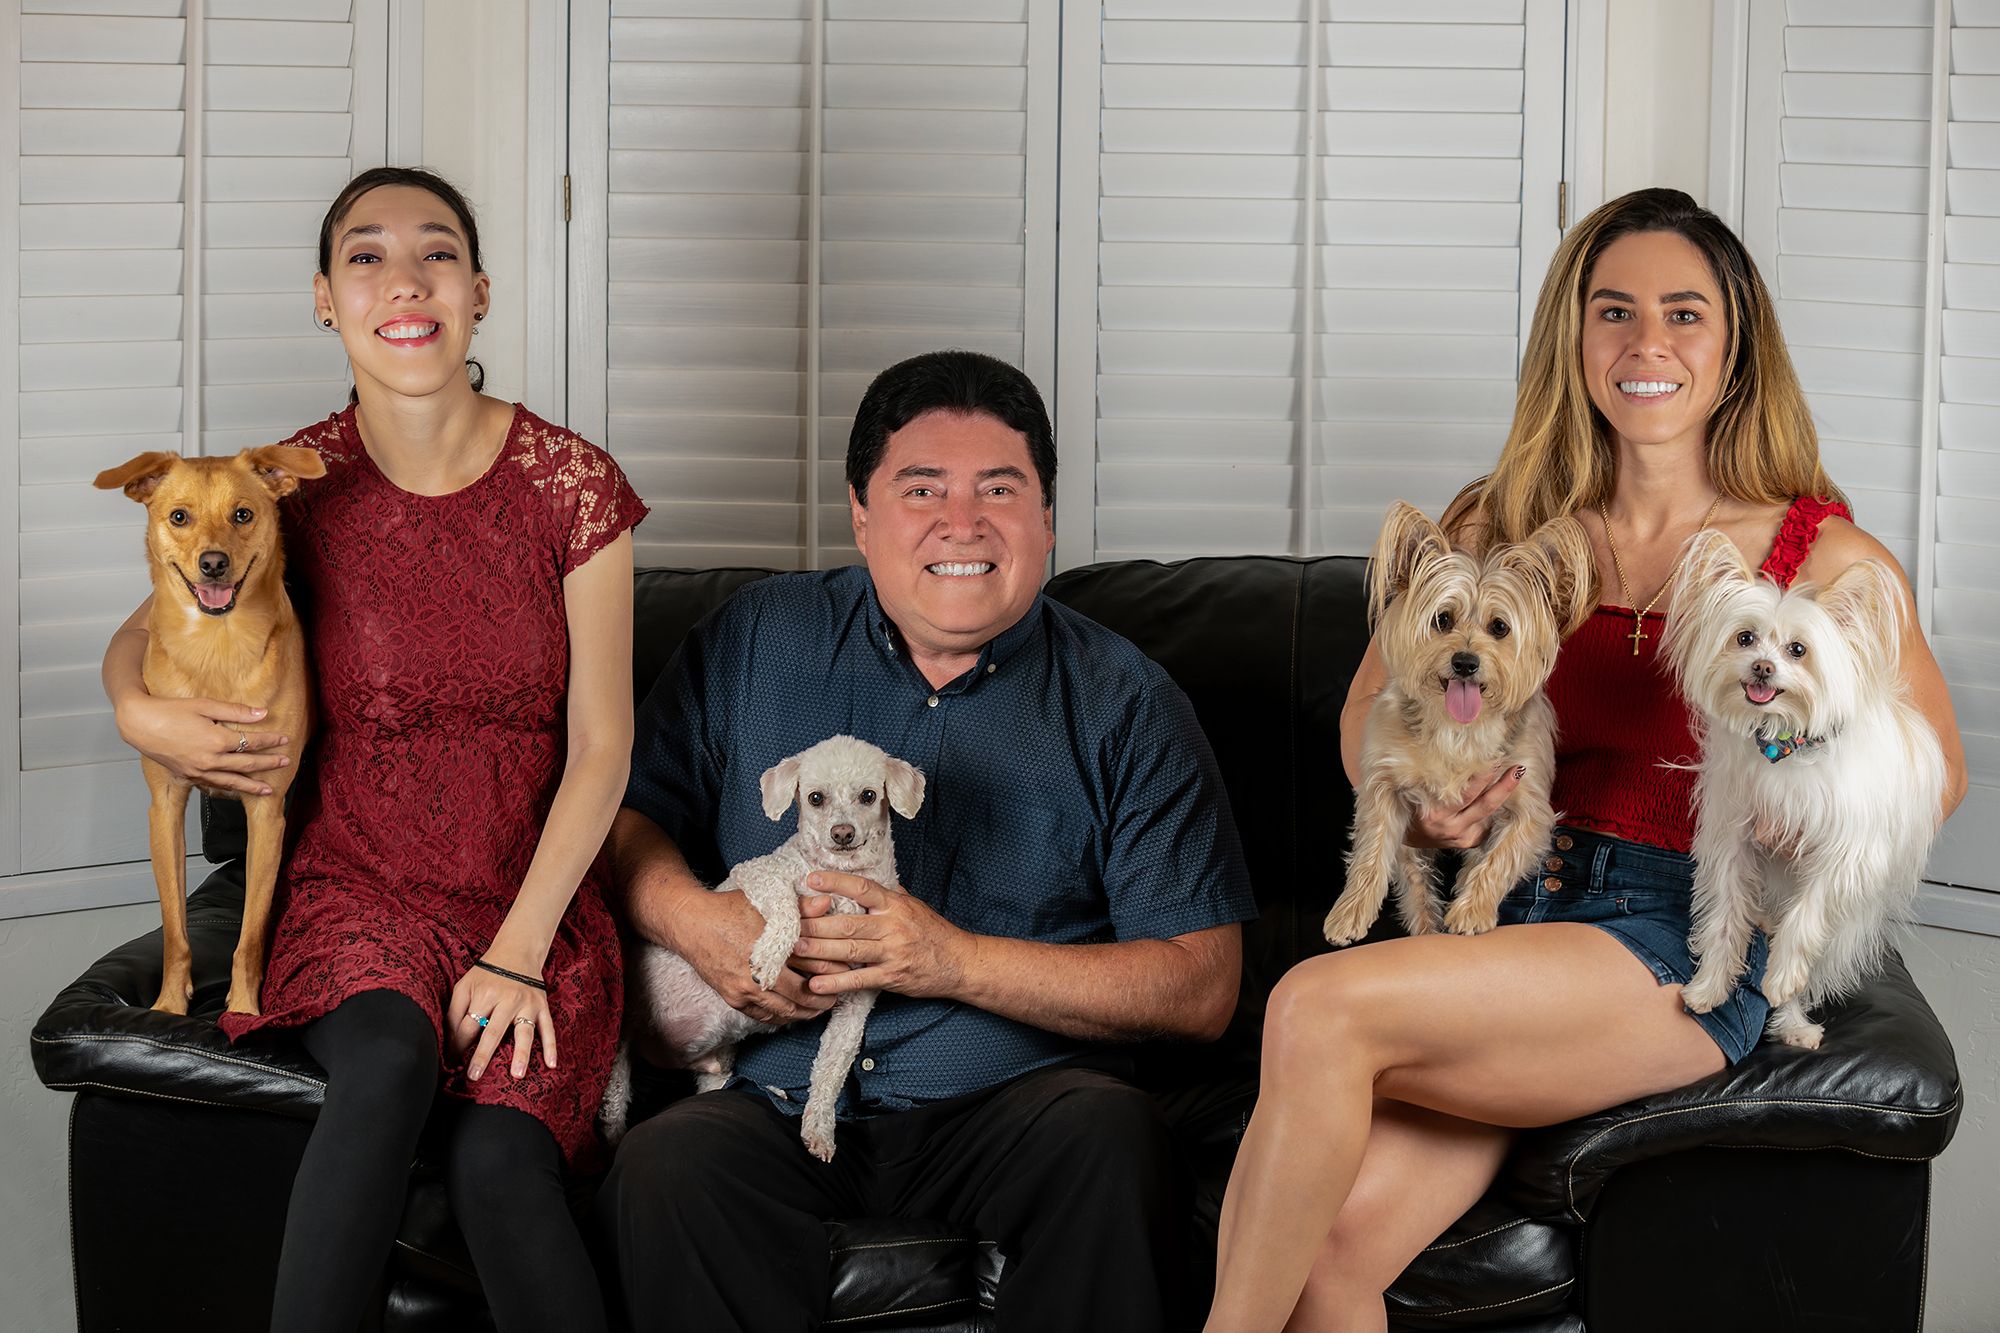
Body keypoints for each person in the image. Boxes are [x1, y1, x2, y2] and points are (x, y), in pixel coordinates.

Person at [1200, 187, 1970, 1333]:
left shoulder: (1820, 551)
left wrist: (1800, 803)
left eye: (1682, 313)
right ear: (1572, 338)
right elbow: (1373, 710)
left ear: (1733, 345)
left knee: (1312, 1006)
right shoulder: (1499, 515)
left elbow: (1933, 773)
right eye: (1611, 312)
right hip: (1508, 915)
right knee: (1331, 1250)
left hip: (1668, 938)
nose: (1644, 343)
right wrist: (1426, 813)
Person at [598, 349, 1256, 1331]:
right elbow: (620, 820)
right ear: (861, 515)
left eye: (1000, 489)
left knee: (1115, 1142)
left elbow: (1202, 987)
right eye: (921, 490)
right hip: (770, 1090)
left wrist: (950, 960)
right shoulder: (753, 639)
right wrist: (697, 923)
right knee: (661, 1166)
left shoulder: (1126, 703)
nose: (962, 522)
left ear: (1044, 520)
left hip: (1018, 1099)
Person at [100, 166, 646, 1333]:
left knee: (503, 1166)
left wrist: (517, 950)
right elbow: (155, 617)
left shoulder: (574, 486)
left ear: (481, 292)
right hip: (359, 888)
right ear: (323, 298)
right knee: (390, 1060)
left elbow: (603, 747)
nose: (404, 278)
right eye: (366, 255)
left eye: (437, 251)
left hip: (531, 903)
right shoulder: (282, 486)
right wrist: (134, 707)